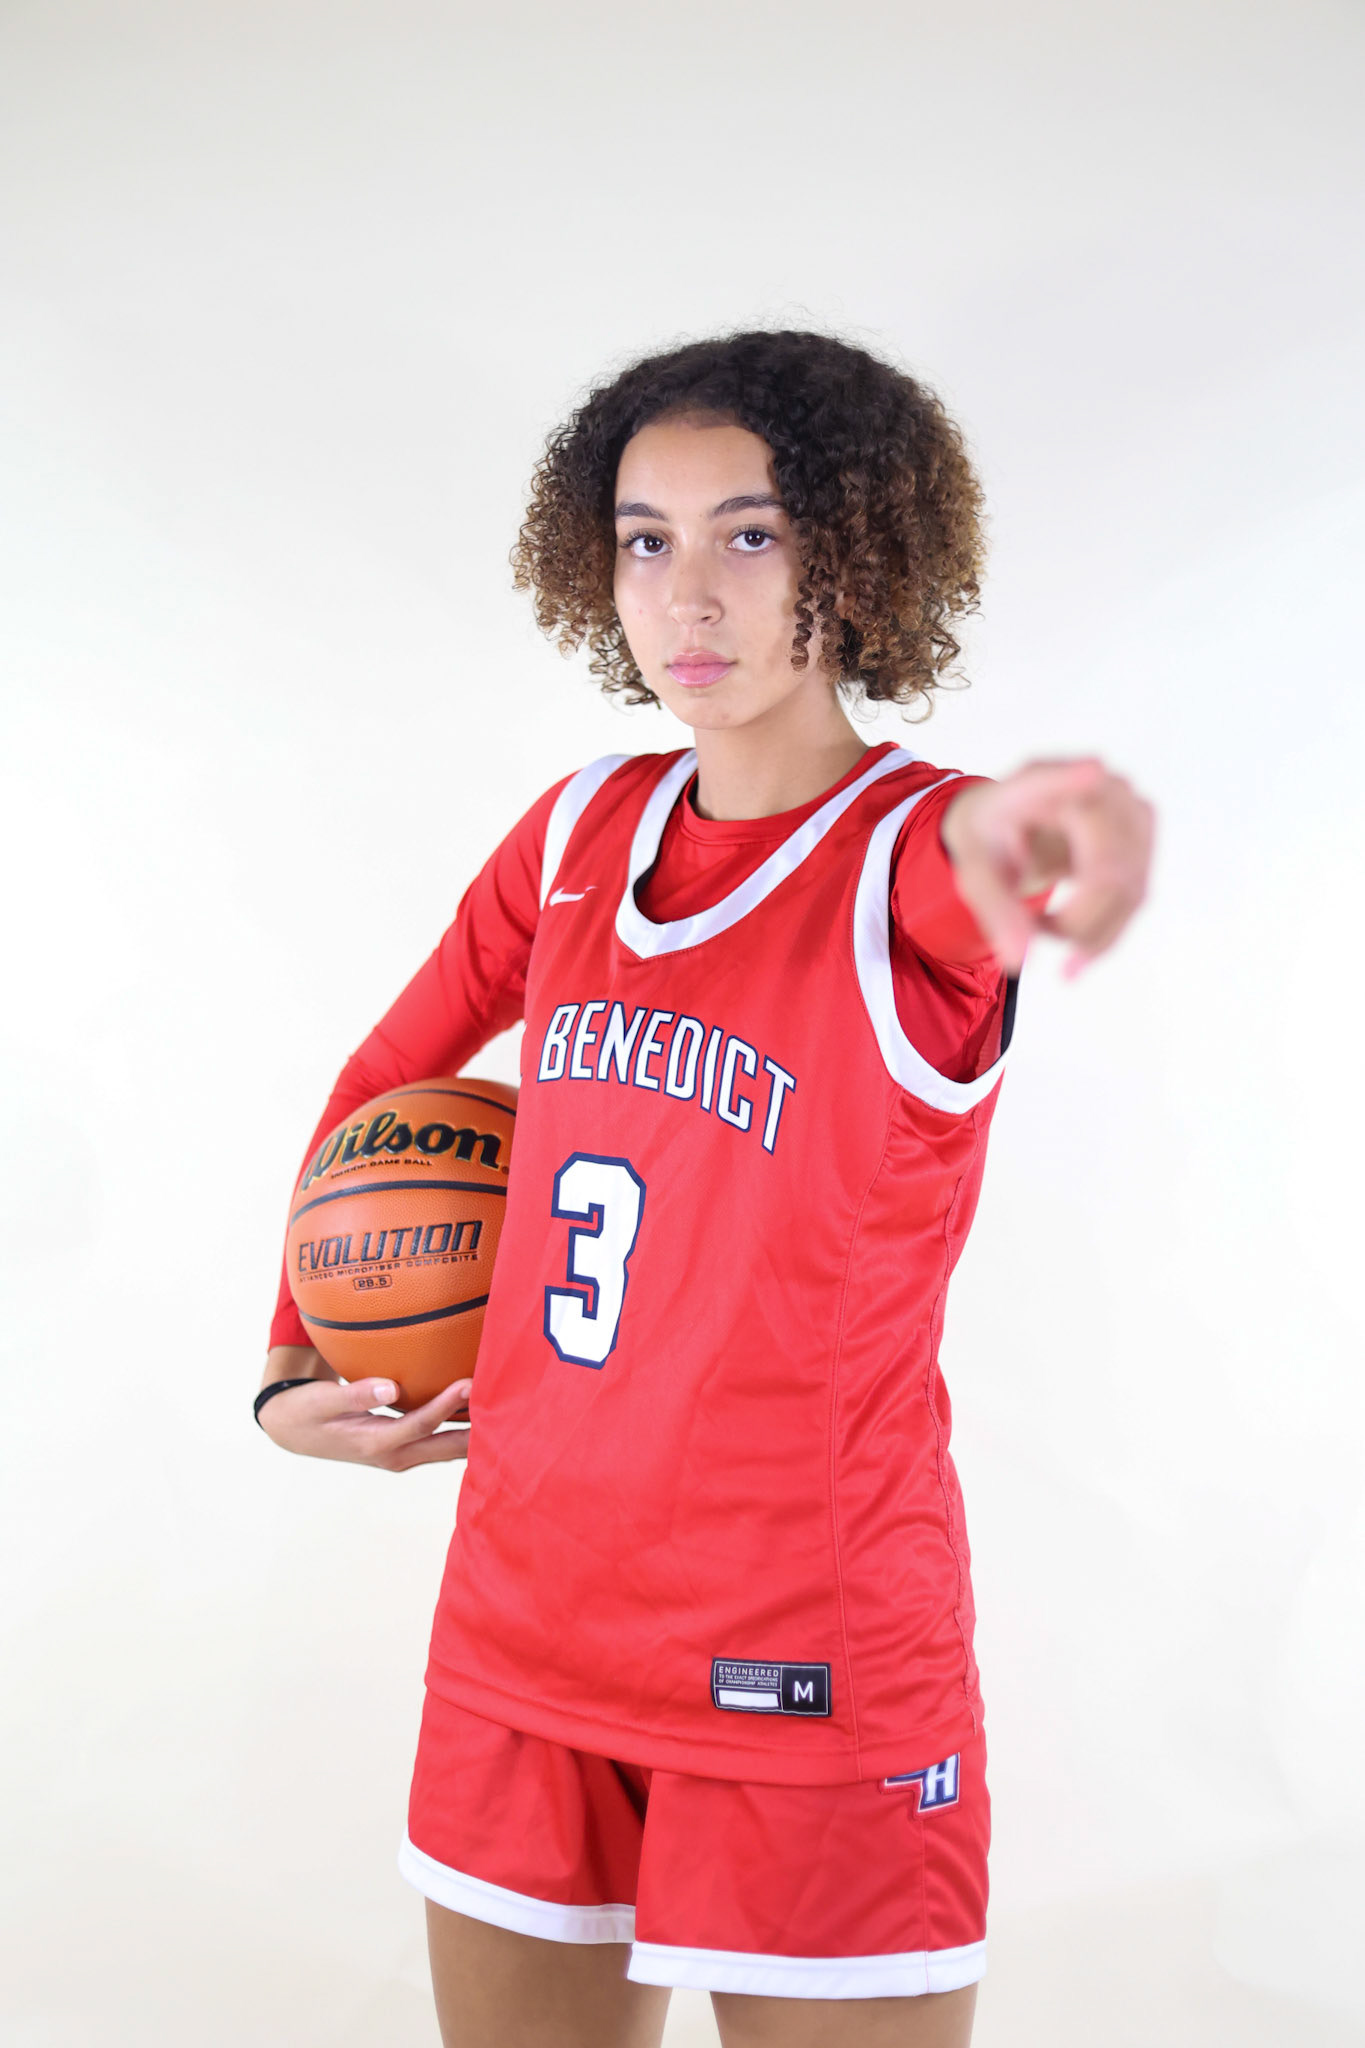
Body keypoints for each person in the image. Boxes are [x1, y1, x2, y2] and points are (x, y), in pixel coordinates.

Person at [255, 328, 1154, 2048]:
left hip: (802, 1656)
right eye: (643, 539)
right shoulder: (576, 835)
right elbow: (384, 1085)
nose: (688, 593)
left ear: (858, 547)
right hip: (525, 1631)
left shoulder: (912, 862)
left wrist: (1060, 830)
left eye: (749, 533)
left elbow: (1001, 862)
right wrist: (299, 1355)